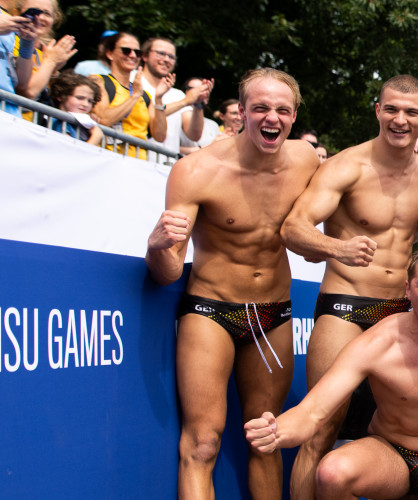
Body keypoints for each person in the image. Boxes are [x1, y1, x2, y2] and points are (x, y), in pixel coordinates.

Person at [144, 68, 321, 500]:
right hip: (211, 310)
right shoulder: (197, 171)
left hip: (273, 314)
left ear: (294, 116)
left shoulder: (306, 161)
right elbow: (167, 272)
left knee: (267, 438)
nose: (271, 117)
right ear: (241, 111)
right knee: (202, 442)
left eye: (282, 109)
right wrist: (156, 247)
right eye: (260, 107)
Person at [243, 247, 418, 500]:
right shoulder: (379, 342)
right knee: (332, 474)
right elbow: (313, 412)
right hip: (391, 453)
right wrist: (275, 430)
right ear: (408, 290)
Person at [280, 74, 418, 500]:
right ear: (377, 110)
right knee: (320, 428)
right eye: (391, 108)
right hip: (347, 304)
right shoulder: (346, 165)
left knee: (406, 434)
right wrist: (338, 247)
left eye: (411, 112)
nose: (399, 119)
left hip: (402, 311)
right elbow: (293, 228)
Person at [89, 32, 169, 158]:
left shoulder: (145, 95)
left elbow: (160, 136)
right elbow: (103, 119)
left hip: (138, 163)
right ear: (110, 54)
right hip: (107, 159)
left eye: (137, 53)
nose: (133, 56)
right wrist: (134, 96)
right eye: (126, 51)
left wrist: (158, 100)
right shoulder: (99, 81)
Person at [137, 37, 209, 152]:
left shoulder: (177, 95)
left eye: (171, 57)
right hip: (137, 159)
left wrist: (198, 105)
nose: (166, 59)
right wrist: (185, 102)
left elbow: (193, 135)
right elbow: (146, 116)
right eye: (161, 53)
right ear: (145, 56)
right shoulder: (132, 83)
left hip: (167, 165)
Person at [47, 71, 103, 146]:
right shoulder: (59, 123)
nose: (86, 104)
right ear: (61, 96)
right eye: (79, 98)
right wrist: (95, 137)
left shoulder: (85, 124)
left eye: (90, 101)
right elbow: (71, 154)